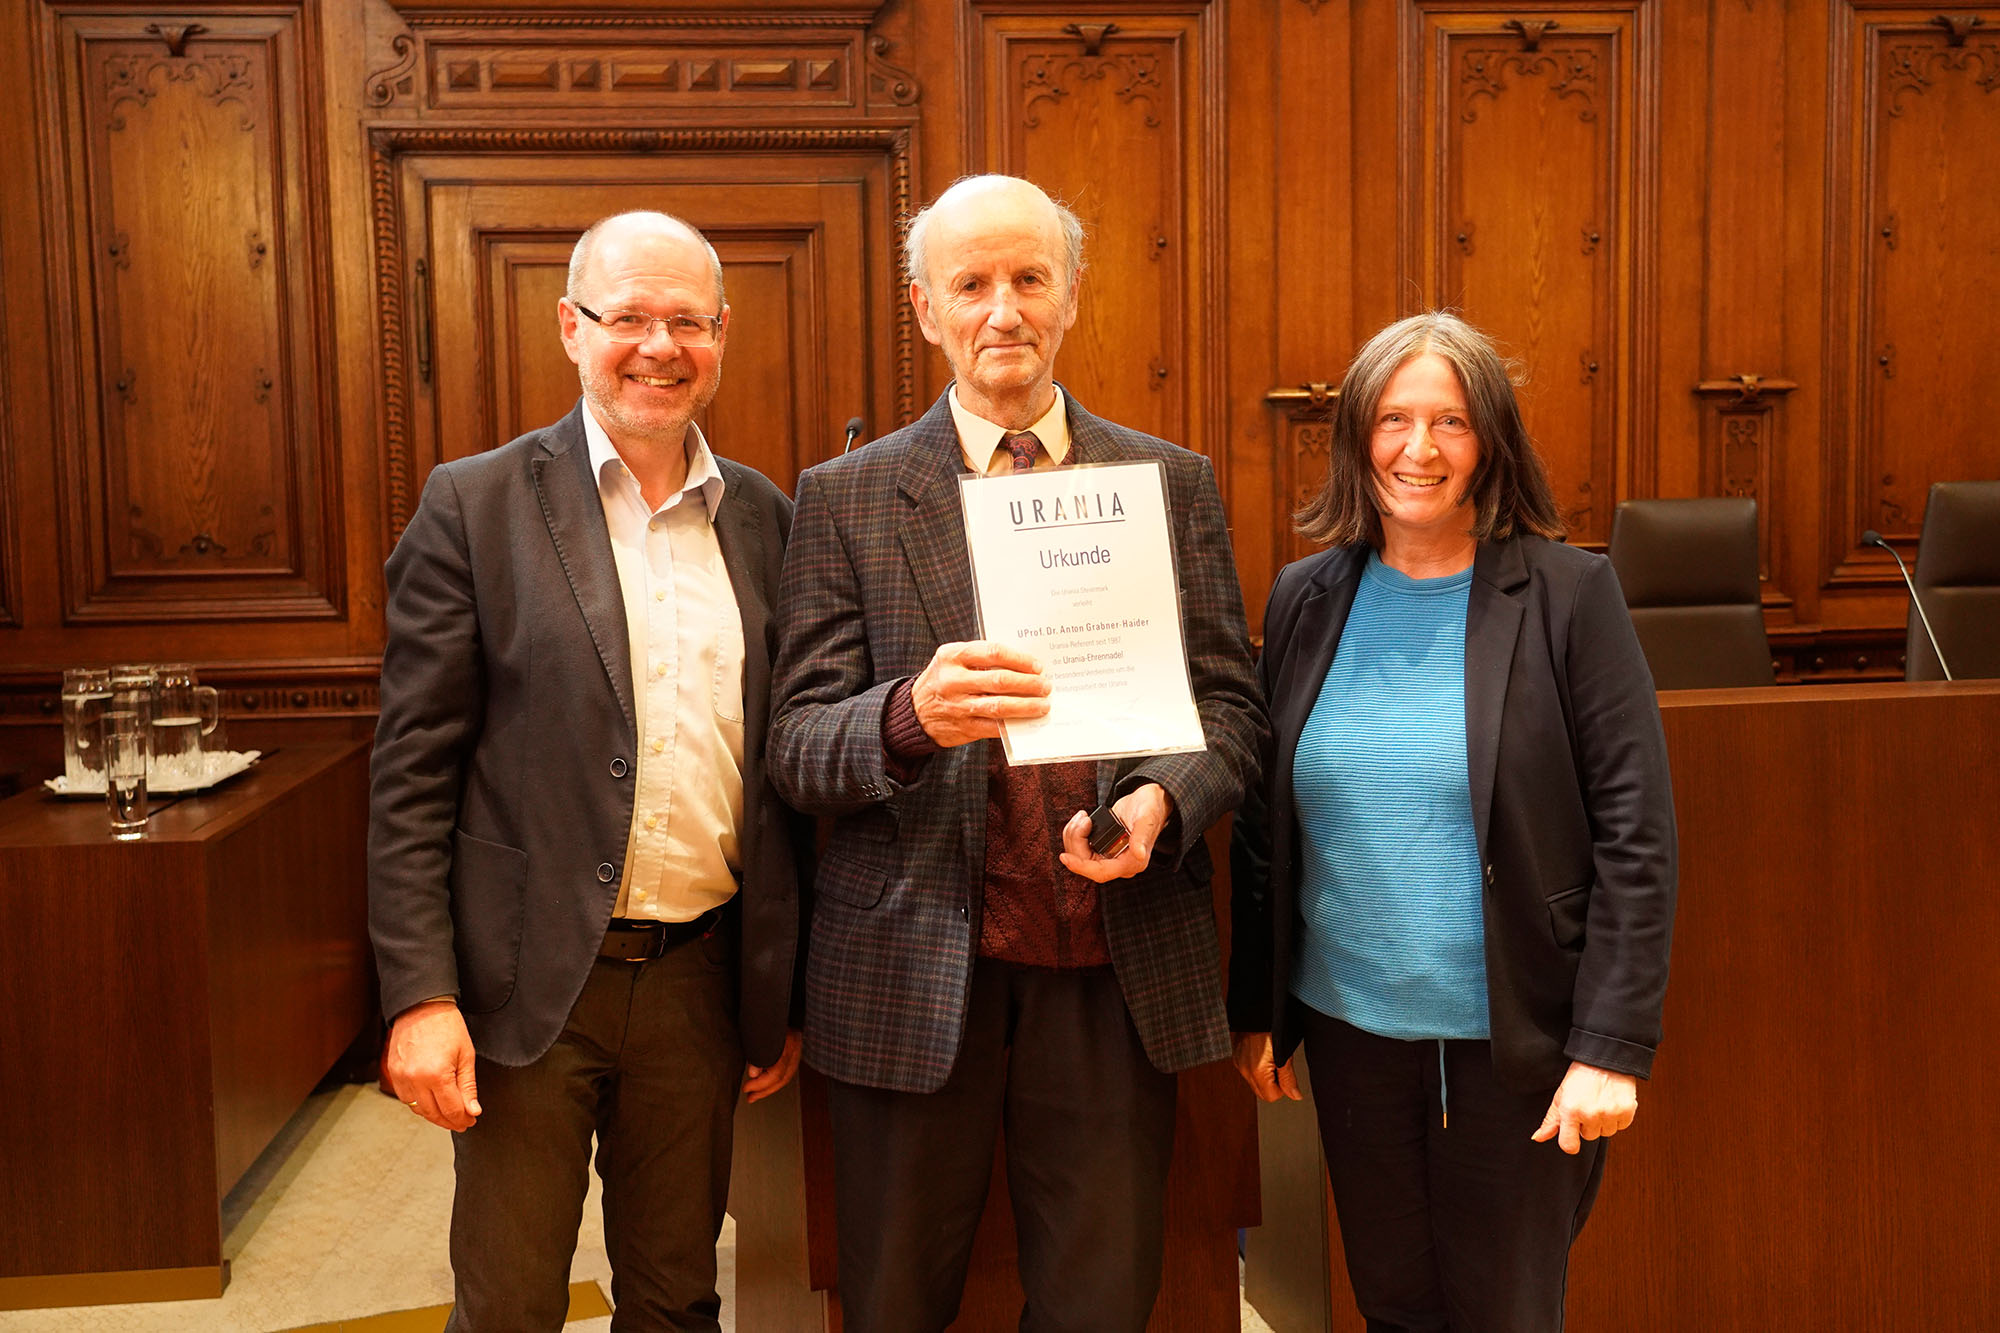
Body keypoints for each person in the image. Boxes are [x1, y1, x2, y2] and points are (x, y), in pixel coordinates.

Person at [767, 174, 1265, 1332]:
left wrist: (1158, 802)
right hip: (908, 965)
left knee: (1100, 1304)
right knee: (890, 1303)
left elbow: (1230, 707)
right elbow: (796, 743)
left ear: (1072, 296)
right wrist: (907, 717)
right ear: (924, 307)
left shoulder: (1167, 484)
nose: (1003, 310)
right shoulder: (843, 499)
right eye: (971, 284)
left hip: (1110, 960)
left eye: (1028, 280)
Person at [368, 210, 806, 1331]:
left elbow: (784, 776)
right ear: (572, 328)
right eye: (627, 318)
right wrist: (421, 994)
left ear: (721, 333)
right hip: (525, 991)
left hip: (699, 986)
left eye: (687, 322)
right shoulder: (473, 506)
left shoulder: (767, 517)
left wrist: (781, 984)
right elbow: (412, 776)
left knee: (675, 1298)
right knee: (510, 1303)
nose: (658, 346)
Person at [1228, 311, 1677, 1332]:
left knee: (1501, 1314)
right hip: (1351, 1038)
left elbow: (1634, 836)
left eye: (1451, 422)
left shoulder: (1569, 594)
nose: (1418, 449)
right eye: (1392, 419)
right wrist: (1256, 1007)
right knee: (1392, 1306)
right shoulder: (1306, 596)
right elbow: (1263, 822)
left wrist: (1608, 1045)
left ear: (1493, 443)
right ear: (1354, 437)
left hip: (1515, 1043)